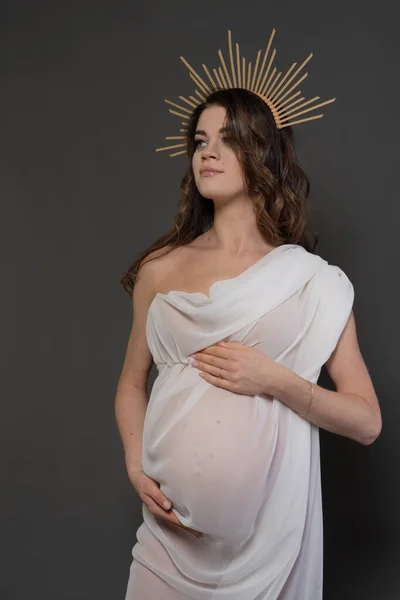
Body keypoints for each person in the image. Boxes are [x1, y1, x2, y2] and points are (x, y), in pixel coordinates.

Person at [115, 87, 382, 599]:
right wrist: (134, 465)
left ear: (263, 153)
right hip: (167, 542)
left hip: (269, 550)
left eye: (227, 140)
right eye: (199, 141)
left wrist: (274, 380)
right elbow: (130, 384)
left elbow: (367, 421)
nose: (207, 153)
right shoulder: (160, 268)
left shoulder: (309, 281)